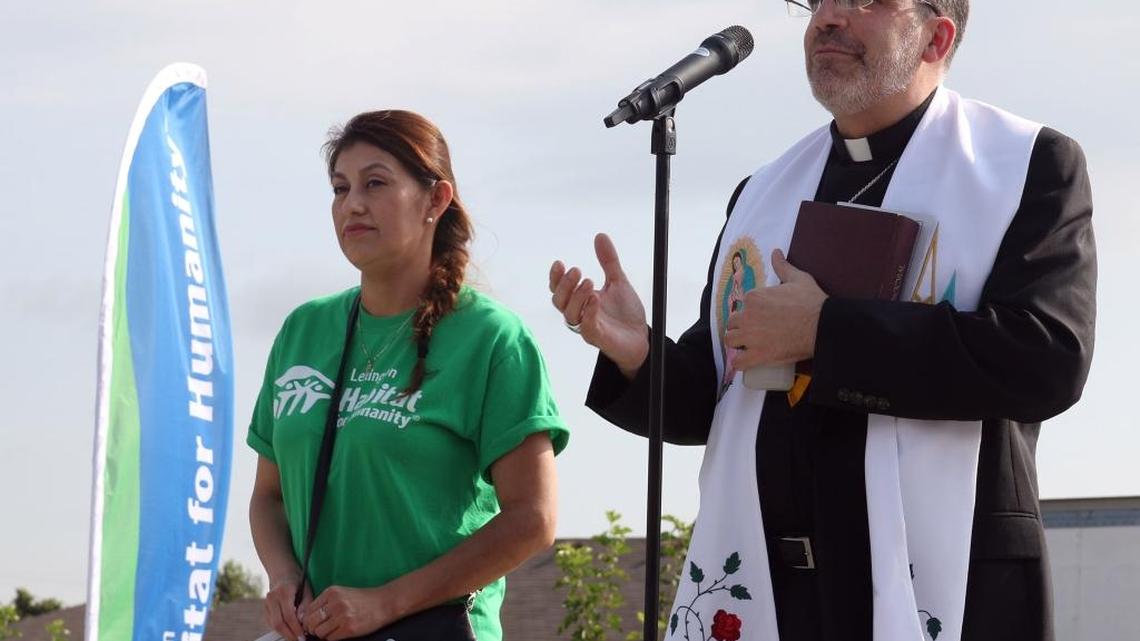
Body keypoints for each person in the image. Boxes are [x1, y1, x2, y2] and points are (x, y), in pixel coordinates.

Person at [549, 2, 1094, 641]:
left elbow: (1046, 358)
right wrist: (638, 354)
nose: (829, 16)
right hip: (775, 590)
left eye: (865, 0)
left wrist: (824, 332)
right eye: (818, 0)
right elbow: (716, 400)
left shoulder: (1023, 165)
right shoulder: (764, 193)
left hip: (953, 579)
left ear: (935, 37)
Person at [249, 109, 569, 641]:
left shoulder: (491, 337)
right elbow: (269, 497)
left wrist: (385, 603)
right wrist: (284, 577)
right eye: (340, 188)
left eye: (375, 183)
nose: (352, 204)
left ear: (435, 200)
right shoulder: (304, 331)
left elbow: (533, 518)